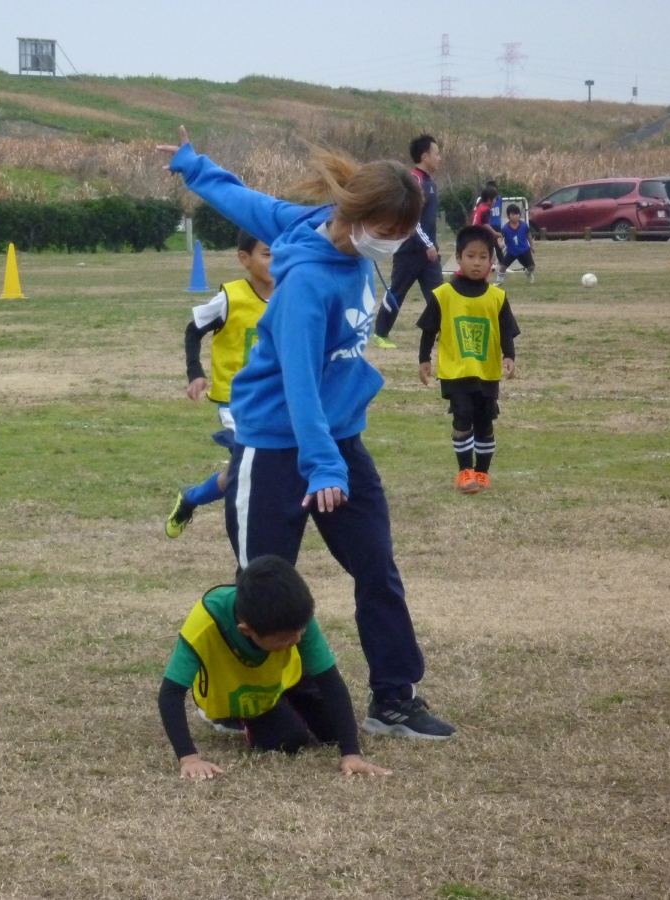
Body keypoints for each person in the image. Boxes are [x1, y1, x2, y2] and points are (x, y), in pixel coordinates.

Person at [158, 125, 456, 740]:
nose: (396, 243)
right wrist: (320, 467)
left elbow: (247, 202)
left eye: (403, 233)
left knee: (376, 568)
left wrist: (193, 163)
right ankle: (235, 700)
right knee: (262, 587)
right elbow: (300, 385)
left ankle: (393, 698)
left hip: (338, 440)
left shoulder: (311, 224)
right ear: (358, 217)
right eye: (391, 230)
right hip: (274, 446)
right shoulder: (306, 283)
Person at [159, 555, 392, 779]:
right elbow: (170, 693)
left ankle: (287, 702)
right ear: (246, 631)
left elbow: (329, 680)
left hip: (286, 678)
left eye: (300, 631)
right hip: (241, 693)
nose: (297, 640)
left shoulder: (294, 616)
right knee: (288, 740)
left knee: (334, 731)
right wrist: (189, 758)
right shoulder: (206, 622)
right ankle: (233, 718)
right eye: (285, 638)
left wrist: (351, 753)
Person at [166, 229, 273, 538]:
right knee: (253, 462)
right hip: (235, 401)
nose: (276, 261)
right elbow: (193, 330)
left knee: (246, 468)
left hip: (276, 400)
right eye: (267, 254)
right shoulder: (231, 298)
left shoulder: (292, 295)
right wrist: (195, 372)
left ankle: (191, 497)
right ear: (244, 259)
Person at [417, 225, 519, 493]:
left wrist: (509, 355)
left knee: (485, 421)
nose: (477, 262)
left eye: (483, 257)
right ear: (458, 258)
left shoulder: (497, 297)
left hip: (487, 370)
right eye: (471, 256)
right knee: (462, 415)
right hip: (455, 370)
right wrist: (424, 359)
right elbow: (429, 330)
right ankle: (465, 472)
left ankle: (482, 473)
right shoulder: (443, 295)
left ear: (492, 260)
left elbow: (506, 331)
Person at [370, 134, 441, 350]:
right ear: (425, 156)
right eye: (437, 154)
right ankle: (380, 333)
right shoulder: (414, 181)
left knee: (439, 295)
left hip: (429, 254)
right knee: (397, 292)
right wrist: (427, 244)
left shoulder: (430, 182)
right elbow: (412, 218)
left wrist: (431, 245)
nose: (440, 158)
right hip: (410, 252)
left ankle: (445, 332)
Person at [496, 204, 535, 284]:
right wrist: (500, 243)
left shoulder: (524, 225)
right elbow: (500, 237)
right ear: (508, 216)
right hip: (511, 252)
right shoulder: (505, 228)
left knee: (531, 267)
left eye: (517, 214)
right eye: (513, 214)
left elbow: (529, 236)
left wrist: (532, 246)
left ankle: (528, 273)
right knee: (502, 267)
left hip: (524, 250)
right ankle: (499, 282)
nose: (515, 216)